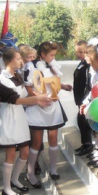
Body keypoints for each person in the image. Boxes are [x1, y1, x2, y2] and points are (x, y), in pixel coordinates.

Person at [0, 48, 53, 195]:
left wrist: (39, 97)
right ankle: (6, 189)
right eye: (18, 58)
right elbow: (15, 100)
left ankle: (15, 180)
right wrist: (36, 99)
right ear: (9, 61)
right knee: (11, 154)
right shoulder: (2, 79)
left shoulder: (17, 76)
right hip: (9, 117)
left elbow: (24, 95)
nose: (21, 61)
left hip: (19, 116)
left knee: (25, 152)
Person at [25, 41, 72, 184]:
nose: (53, 58)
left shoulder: (53, 66)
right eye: (51, 55)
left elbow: (53, 82)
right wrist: (38, 98)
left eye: (54, 55)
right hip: (38, 107)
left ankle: (53, 169)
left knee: (53, 138)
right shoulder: (32, 67)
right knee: (36, 141)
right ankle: (30, 172)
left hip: (52, 106)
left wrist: (62, 86)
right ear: (43, 54)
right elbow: (28, 87)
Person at [73, 40, 93, 157]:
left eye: (81, 52)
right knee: (81, 121)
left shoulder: (88, 66)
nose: (78, 54)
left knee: (84, 122)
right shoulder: (81, 64)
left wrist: (85, 100)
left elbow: (88, 84)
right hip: (79, 98)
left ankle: (88, 144)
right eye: (77, 52)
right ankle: (85, 143)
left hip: (85, 98)